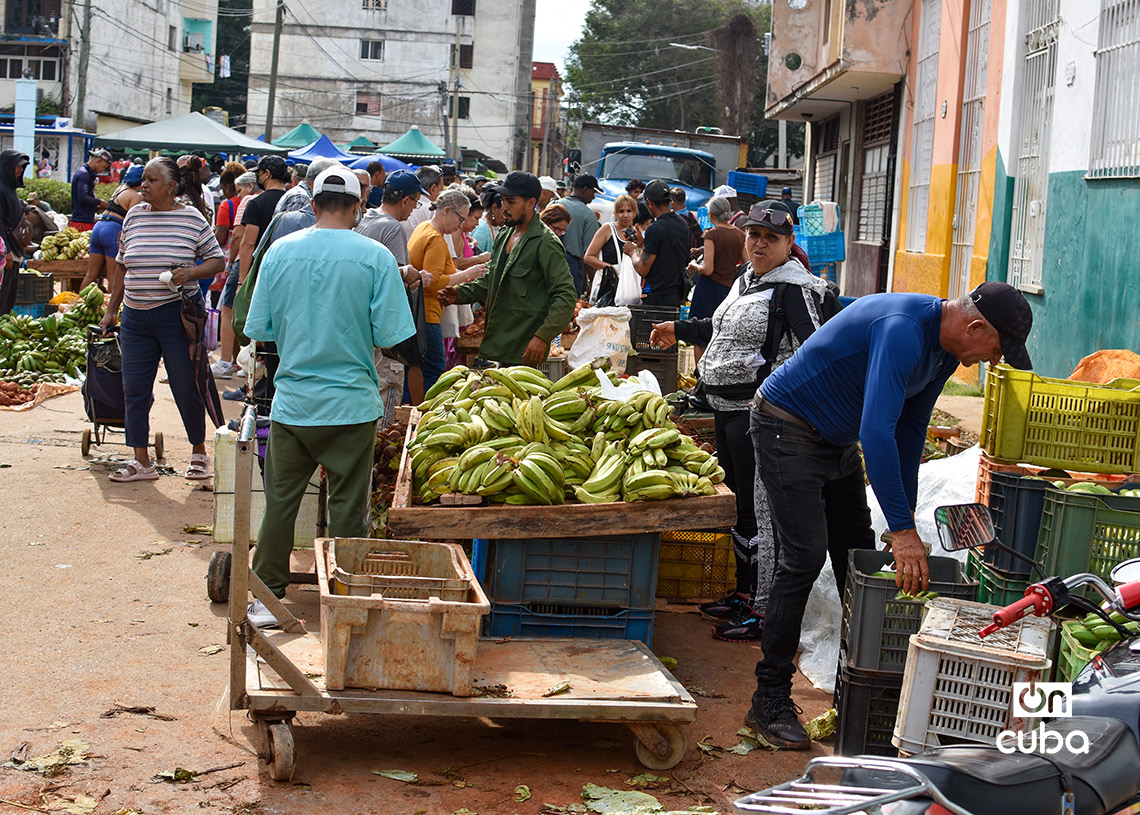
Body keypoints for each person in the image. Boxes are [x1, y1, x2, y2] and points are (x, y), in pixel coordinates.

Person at [745, 280, 1033, 749]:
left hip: (835, 440)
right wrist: (900, 529)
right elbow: (876, 432)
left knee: (856, 555)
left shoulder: (944, 350)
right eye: (996, 348)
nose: (991, 359)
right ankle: (769, 697)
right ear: (976, 325)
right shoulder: (902, 329)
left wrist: (908, 513)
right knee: (804, 557)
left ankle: (856, 690)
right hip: (786, 427)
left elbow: (910, 428)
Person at [650, 201, 835, 644]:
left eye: (771, 237)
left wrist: (785, 400)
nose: (760, 243)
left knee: (766, 515)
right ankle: (744, 592)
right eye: (754, 235)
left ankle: (767, 610)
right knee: (742, 511)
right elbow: (719, 329)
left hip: (766, 418)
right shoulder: (746, 279)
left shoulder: (795, 288)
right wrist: (679, 327)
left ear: (790, 243)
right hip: (726, 410)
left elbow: (817, 352)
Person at [242, 167, 415, 627]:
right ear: (358, 207)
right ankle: (345, 600)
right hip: (352, 404)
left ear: (313, 204)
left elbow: (260, 328)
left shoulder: (280, 252)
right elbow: (392, 333)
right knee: (347, 507)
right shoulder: (375, 257)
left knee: (281, 502)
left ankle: (265, 598)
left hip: (294, 401)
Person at [97, 156, 226, 482]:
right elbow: (122, 266)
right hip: (135, 319)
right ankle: (141, 460)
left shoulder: (192, 218)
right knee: (135, 389)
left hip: (176, 318)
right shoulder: (134, 216)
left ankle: (199, 452)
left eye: (152, 181)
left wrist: (189, 273)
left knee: (186, 386)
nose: (144, 185)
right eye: (143, 179)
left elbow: (217, 261)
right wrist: (112, 310)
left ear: (171, 186)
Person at [440, 171, 576, 366]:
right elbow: (491, 280)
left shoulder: (545, 242)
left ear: (530, 203)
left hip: (524, 350)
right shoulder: (505, 234)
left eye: (511, 202)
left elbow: (566, 295)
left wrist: (543, 336)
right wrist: (458, 294)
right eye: (503, 201)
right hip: (496, 346)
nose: (504, 208)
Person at [406, 188, 485, 396]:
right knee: (435, 369)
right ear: (446, 211)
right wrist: (467, 274)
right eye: (461, 219)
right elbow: (433, 282)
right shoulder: (435, 239)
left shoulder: (424, 228)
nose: (461, 226)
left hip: (419, 310)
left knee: (418, 366)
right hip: (427, 312)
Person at [212, 171, 258, 378]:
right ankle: (248, 363)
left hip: (243, 261)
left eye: (239, 191)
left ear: (249, 186)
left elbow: (239, 235)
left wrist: (232, 262)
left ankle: (226, 363)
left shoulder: (248, 200)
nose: (237, 196)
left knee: (229, 310)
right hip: (262, 262)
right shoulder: (278, 199)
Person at [624, 179, 690, 307]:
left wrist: (632, 252)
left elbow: (643, 269)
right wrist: (642, 245)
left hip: (657, 298)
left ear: (649, 202)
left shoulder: (655, 229)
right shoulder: (682, 223)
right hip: (676, 296)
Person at [80, 164, 144, 292]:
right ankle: (112, 310)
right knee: (113, 277)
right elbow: (131, 220)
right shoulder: (134, 196)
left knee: (91, 275)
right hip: (112, 230)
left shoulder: (120, 189)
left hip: (98, 227)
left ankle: (77, 303)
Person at [687, 195, 746, 324]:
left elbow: (707, 269)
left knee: (699, 331)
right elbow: (746, 264)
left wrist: (694, 265)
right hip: (729, 289)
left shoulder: (711, 234)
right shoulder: (739, 234)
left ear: (711, 213)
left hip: (709, 288)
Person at [238, 156, 289, 291]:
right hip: (286, 268)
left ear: (267, 174)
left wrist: (242, 281)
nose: (257, 178)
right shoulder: (292, 199)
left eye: (259, 173)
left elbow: (248, 243)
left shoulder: (256, 203)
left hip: (261, 269)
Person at [583, 194, 638, 296]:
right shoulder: (607, 229)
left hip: (630, 287)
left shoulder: (637, 233)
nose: (625, 215)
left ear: (634, 213)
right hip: (608, 286)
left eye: (629, 211)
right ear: (615, 213)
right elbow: (588, 257)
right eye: (621, 211)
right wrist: (609, 268)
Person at [559, 173, 602, 296]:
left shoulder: (554, 205)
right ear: (585, 190)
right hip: (572, 267)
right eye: (593, 192)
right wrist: (593, 282)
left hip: (548, 262)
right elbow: (588, 255)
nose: (593, 197)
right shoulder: (589, 216)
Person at [0, 150, 29, 315]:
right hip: (6, 253)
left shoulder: (10, 189)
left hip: (15, 251)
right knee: (3, 296)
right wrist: (7, 252)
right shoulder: (1, 189)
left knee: (10, 296)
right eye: (17, 167)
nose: (20, 171)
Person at [70, 148, 111, 231]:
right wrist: (99, 202)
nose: (102, 170)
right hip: (81, 222)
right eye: (103, 167)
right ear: (98, 161)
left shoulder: (85, 173)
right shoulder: (84, 174)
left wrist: (96, 205)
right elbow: (83, 197)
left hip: (83, 219)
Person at [402, 165, 443, 241]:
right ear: (433, 189)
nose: (441, 194)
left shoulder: (402, 205)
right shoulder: (432, 211)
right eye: (441, 189)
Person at [470, 187, 504, 253]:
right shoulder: (481, 229)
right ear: (494, 208)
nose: (506, 216)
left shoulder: (500, 227)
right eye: (504, 212)